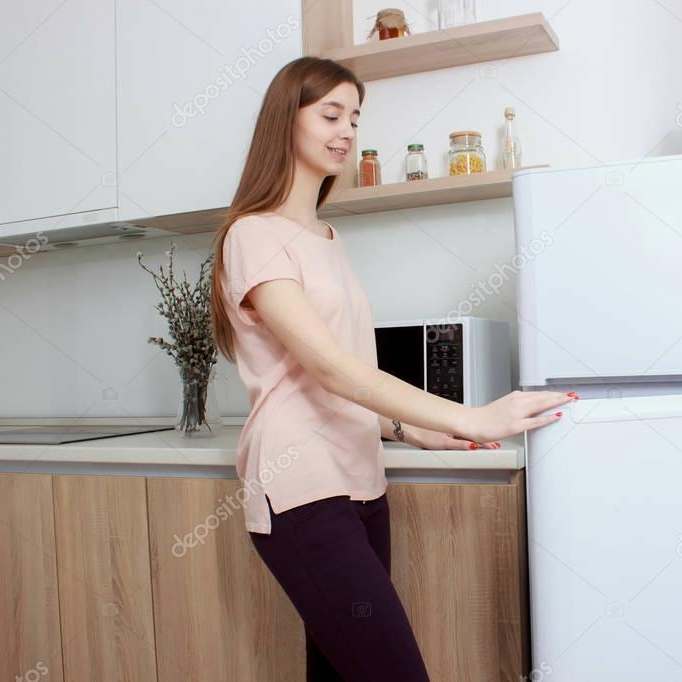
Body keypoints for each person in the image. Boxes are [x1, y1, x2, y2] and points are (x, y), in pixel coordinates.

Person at [208, 56, 576, 682]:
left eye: (354, 117)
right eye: (330, 114)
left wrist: (407, 430)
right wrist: (473, 413)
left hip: (361, 482)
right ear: (283, 121)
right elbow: (331, 371)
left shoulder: (326, 238)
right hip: (300, 487)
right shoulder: (252, 235)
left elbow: (346, 374)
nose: (347, 130)